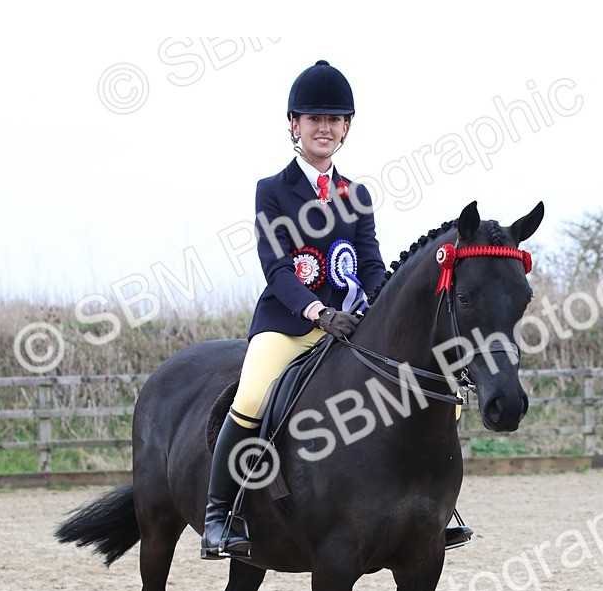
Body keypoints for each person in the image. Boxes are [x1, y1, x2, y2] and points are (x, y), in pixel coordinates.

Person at [200, 59, 472, 559]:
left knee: (440, 395)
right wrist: (317, 314)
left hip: (352, 327)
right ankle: (223, 515)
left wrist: (377, 309)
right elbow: (277, 269)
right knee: (254, 396)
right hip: (289, 324)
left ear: (347, 128)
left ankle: (437, 510)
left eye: (334, 120)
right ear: (294, 125)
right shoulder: (273, 190)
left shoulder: (356, 194)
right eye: (313, 119)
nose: (324, 128)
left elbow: (369, 265)